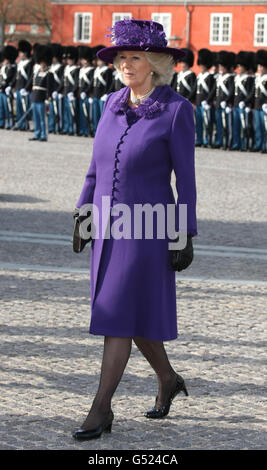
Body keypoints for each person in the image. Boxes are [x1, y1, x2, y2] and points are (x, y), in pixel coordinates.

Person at [72, 18, 198, 441]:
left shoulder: (177, 110)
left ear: (155, 63)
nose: (126, 64)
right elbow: (95, 167)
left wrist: (183, 232)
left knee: (116, 318)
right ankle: (167, 379)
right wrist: (83, 214)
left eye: (135, 57)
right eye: (121, 57)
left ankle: (100, 408)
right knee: (133, 315)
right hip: (107, 228)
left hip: (148, 230)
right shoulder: (110, 102)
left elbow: (187, 180)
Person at [28, 45, 54, 142]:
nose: (42, 64)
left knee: (42, 119)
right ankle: (37, 133)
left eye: (43, 62)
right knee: (36, 118)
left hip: (42, 98)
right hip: (35, 97)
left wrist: (48, 98)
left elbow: (49, 87)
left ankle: (43, 135)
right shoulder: (37, 72)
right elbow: (33, 84)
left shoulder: (49, 73)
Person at [195, 48, 216, 148]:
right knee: (198, 123)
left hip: (206, 103)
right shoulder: (199, 76)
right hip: (198, 103)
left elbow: (212, 91)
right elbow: (195, 89)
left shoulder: (210, 77)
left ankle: (207, 140)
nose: (202, 66)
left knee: (207, 123)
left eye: (203, 64)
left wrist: (208, 101)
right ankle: (199, 139)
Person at [252, 49, 267, 153]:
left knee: (265, 127)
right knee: (257, 127)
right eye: (259, 66)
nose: (259, 68)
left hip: (265, 106)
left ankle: (265, 146)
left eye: (261, 66)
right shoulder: (257, 78)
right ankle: (258, 144)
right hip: (257, 105)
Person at [0, 45, 18, 129]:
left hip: (7, 90)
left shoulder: (12, 68)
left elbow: (10, 79)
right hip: (1, 90)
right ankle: (1, 122)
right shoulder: (3, 68)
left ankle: (10, 123)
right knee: (1, 108)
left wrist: (8, 86)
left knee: (9, 108)